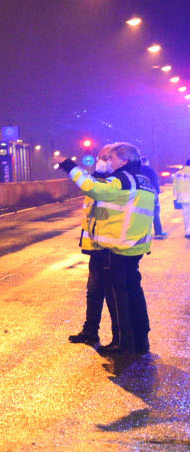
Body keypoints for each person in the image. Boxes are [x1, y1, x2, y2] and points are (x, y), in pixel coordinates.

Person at [59, 142, 155, 356]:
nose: (108, 162)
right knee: (134, 295)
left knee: (118, 298)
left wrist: (69, 166)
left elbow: (94, 188)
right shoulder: (143, 180)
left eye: (111, 158)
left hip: (117, 249)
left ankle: (123, 343)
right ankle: (140, 341)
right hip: (134, 247)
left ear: (124, 160)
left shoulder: (122, 179)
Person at [137, 158, 167, 239]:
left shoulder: (136, 170)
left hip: (140, 194)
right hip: (151, 193)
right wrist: (157, 191)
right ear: (146, 162)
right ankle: (158, 232)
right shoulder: (150, 170)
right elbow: (155, 181)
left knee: (141, 213)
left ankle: (143, 233)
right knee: (155, 212)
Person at [173, 158, 190, 239]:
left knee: (186, 214)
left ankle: (188, 231)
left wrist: (175, 197)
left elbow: (175, 186)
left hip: (183, 197)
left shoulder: (178, 174)